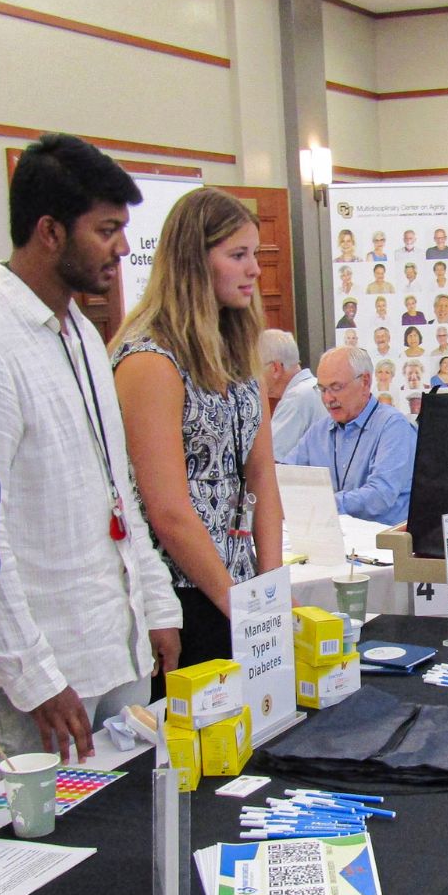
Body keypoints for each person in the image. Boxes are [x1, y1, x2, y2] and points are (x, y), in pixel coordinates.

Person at [0, 133, 182, 761]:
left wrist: (156, 603)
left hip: (117, 648)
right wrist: (36, 679)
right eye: (106, 230)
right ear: (49, 232)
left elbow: (116, 488)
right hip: (46, 681)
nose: (123, 248)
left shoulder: (81, 330)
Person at [111, 187, 282, 672]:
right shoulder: (150, 361)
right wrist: (237, 604)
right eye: (238, 255)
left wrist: (268, 586)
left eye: (254, 254)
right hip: (181, 592)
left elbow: (262, 474)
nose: (253, 269)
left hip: (240, 585)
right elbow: (167, 509)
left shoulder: (240, 351)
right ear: (194, 262)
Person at [285, 346, 418, 525]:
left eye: (336, 387)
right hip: (331, 537)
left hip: (379, 544)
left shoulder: (393, 427)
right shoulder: (319, 431)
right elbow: (286, 475)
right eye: (322, 389)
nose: (328, 399)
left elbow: (380, 496)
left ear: (364, 382)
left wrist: (326, 504)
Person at [259, 329, 327, 461]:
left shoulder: (296, 398)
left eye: (257, 369)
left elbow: (269, 457)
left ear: (275, 368)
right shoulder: (314, 389)